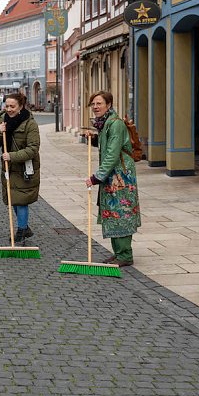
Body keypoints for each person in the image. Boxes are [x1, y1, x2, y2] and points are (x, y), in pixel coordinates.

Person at [84, 90, 141, 267]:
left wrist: (96, 177)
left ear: (109, 105)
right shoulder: (105, 123)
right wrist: (94, 138)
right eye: (93, 104)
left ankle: (125, 254)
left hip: (121, 177)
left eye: (99, 103)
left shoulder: (114, 124)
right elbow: (109, 145)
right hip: (113, 176)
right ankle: (119, 253)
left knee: (121, 212)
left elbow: (112, 154)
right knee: (112, 212)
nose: (95, 107)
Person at [0, 92, 40, 243]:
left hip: (24, 167)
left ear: (21, 107)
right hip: (8, 167)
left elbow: (33, 148)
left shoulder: (30, 123)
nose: (9, 109)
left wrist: (12, 156)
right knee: (13, 198)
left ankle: (21, 230)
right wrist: (0, 131)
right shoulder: (1, 119)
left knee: (20, 199)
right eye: (7, 106)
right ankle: (25, 227)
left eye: (12, 106)